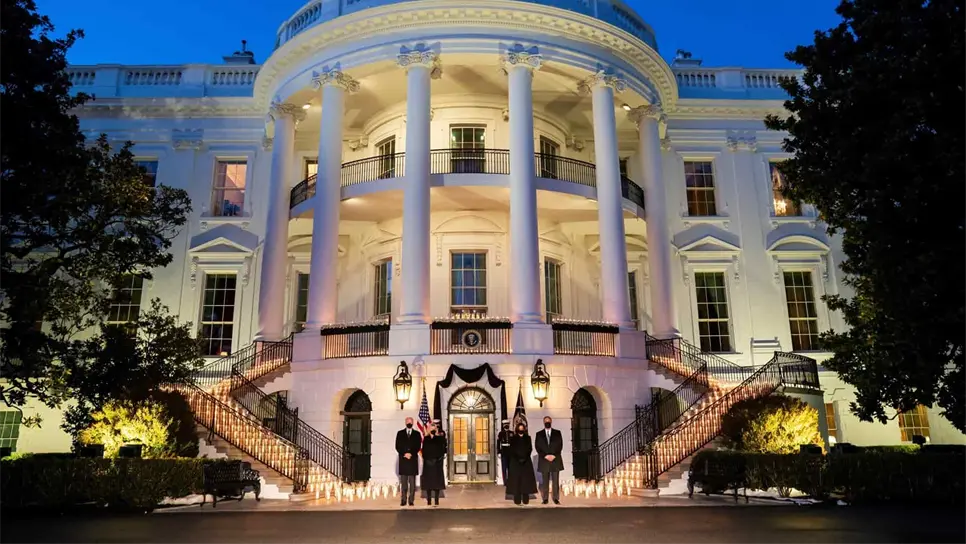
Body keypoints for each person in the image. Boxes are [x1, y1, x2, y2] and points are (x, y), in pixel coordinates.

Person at [506, 423, 537, 505]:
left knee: (525, 480)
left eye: (522, 428)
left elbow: (529, 449)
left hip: (526, 462)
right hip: (515, 462)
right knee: (516, 480)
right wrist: (518, 458)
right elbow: (511, 450)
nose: (521, 430)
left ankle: (525, 497)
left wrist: (524, 458)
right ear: (517, 429)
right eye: (519, 428)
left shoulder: (528, 438)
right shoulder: (513, 438)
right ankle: (517, 498)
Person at [535, 416, 563, 505]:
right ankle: (545, 498)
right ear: (543, 422)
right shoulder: (539, 434)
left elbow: (560, 445)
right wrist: (545, 456)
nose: (547, 422)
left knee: (555, 481)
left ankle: (556, 498)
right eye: (545, 421)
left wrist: (554, 455)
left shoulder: (557, 433)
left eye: (548, 421)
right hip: (544, 460)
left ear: (551, 422)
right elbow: (537, 447)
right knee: (545, 481)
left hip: (555, 459)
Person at [395, 416, 422, 507]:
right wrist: (404, 454)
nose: (409, 423)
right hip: (403, 461)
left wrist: (411, 453)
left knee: (412, 484)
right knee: (404, 483)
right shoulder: (400, 433)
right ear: (405, 422)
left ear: (413, 423)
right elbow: (397, 446)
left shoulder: (417, 434)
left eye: (411, 422)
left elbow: (418, 446)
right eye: (408, 422)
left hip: (412, 461)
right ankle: (403, 500)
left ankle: (411, 500)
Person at [420, 422, 446, 506]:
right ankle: (429, 499)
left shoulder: (440, 438)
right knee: (429, 483)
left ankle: (436, 499)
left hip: (437, 463)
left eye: (434, 428)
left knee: (436, 483)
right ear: (429, 429)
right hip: (428, 464)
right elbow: (424, 451)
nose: (433, 430)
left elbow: (442, 450)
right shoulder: (426, 439)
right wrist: (427, 459)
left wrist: (438, 459)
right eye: (432, 428)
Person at [497, 419, 512, 484]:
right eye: (505, 425)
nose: (506, 426)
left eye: (507, 424)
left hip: (511, 452)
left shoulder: (512, 433)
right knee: (504, 467)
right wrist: (499, 452)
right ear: (503, 426)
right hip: (504, 452)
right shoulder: (501, 433)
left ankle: (510, 480)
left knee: (510, 467)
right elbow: (498, 443)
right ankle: (505, 481)